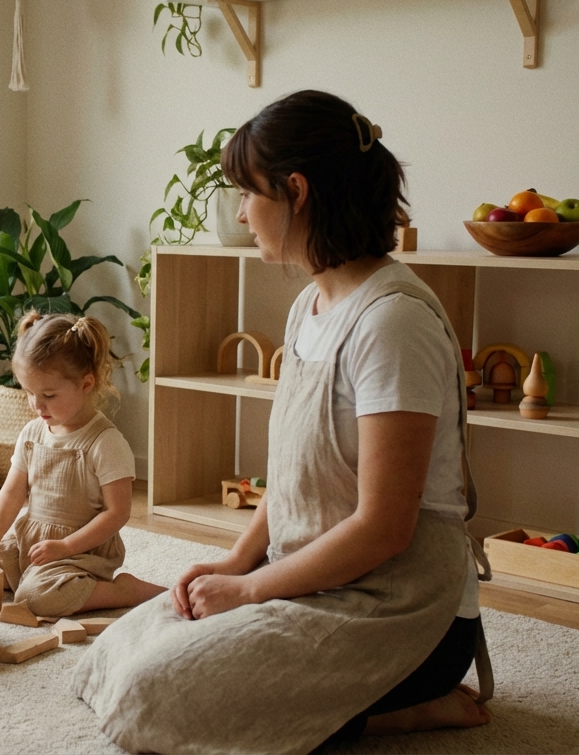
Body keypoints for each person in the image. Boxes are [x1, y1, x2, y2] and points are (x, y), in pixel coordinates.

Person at [72, 90, 493, 753]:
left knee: (154, 694)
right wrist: (236, 561)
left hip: (399, 606)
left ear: (297, 191)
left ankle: (399, 712)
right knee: (113, 656)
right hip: (309, 575)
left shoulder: (393, 324)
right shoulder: (308, 308)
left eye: (248, 193)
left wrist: (248, 590)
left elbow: (384, 529)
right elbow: (297, 473)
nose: (241, 212)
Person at [0, 312, 165, 618]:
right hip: (31, 542)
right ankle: (27, 576)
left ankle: (123, 591)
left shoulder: (105, 442)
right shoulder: (31, 433)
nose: (37, 405)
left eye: (48, 395)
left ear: (86, 384)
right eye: (29, 393)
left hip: (80, 551)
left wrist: (65, 547)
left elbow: (118, 513)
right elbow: (11, 494)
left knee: (37, 598)